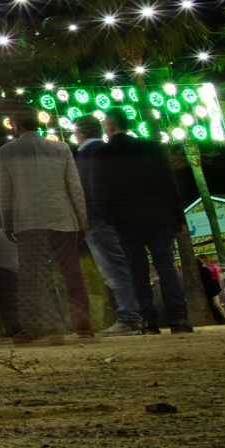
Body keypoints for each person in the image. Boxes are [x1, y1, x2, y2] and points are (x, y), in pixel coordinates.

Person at [92, 111, 191, 334]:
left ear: (109, 126)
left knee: (137, 270)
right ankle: (178, 319)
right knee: (166, 267)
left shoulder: (103, 155)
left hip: (125, 221)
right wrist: (178, 218)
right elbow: (169, 185)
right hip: (158, 216)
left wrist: (110, 217)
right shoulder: (152, 148)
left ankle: (149, 321)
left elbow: (101, 191)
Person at [0, 119, 92, 341]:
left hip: (28, 220)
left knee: (30, 276)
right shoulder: (61, 147)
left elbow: (4, 191)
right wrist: (82, 220)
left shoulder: (6, 151)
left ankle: (35, 325)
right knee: (72, 272)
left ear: (16, 126)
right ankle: (82, 322)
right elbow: (74, 186)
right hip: (63, 217)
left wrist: (7, 222)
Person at [71, 116, 143, 337]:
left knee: (113, 267)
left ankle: (129, 317)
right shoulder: (110, 150)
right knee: (126, 264)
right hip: (123, 217)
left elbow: (85, 190)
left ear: (79, 133)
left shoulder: (84, 156)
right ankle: (138, 314)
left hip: (97, 219)